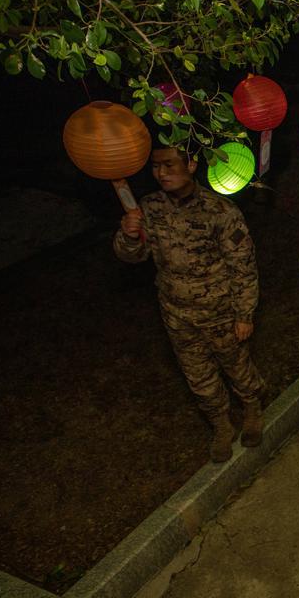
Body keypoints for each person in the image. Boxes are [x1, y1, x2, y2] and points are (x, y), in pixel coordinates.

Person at [114, 146, 264, 463]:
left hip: (220, 312)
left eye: (169, 165)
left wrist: (244, 313)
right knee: (199, 376)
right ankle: (222, 426)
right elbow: (134, 257)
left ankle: (252, 410)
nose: (162, 173)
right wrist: (129, 236)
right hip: (177, 313)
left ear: (191, 164)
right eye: (156, 167)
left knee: (237, 367)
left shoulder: (219, 210)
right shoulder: (149, 208)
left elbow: (243, 266)